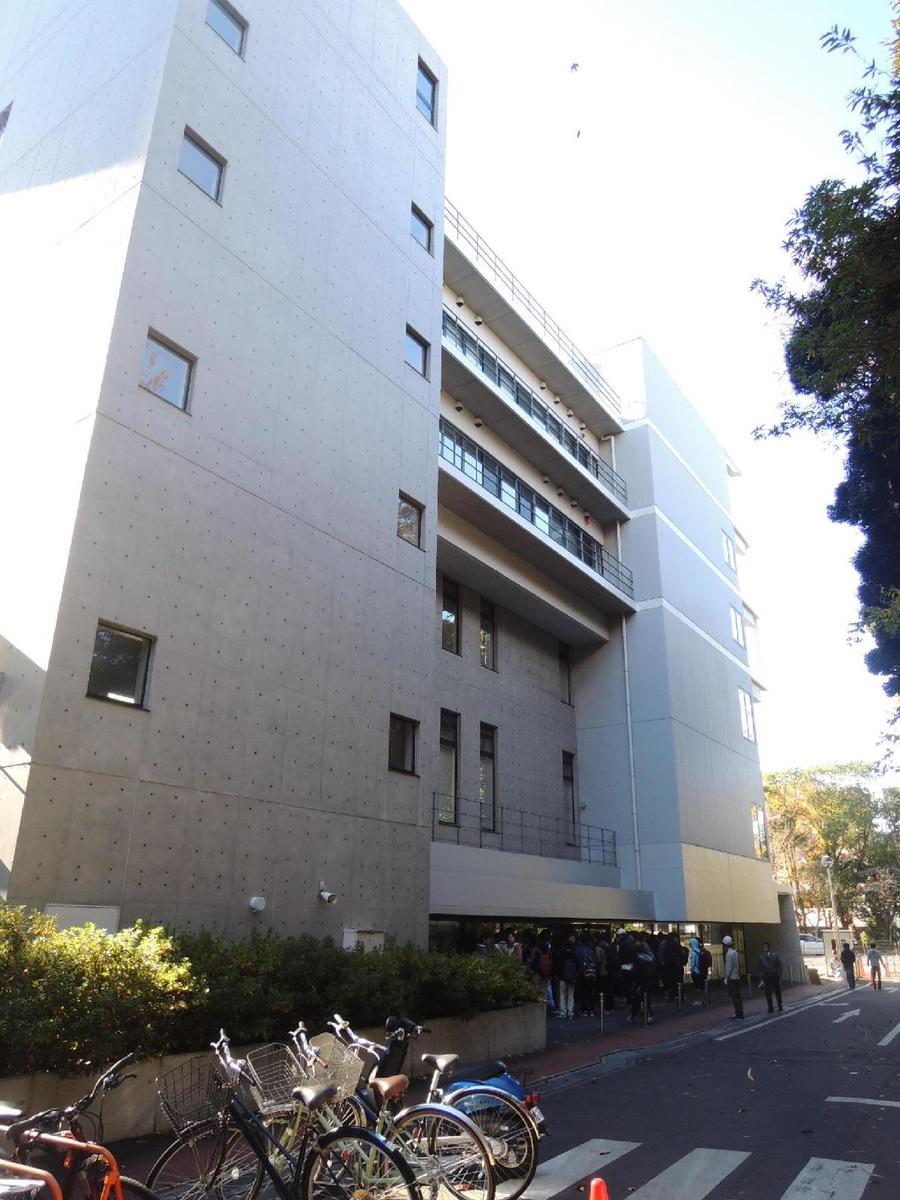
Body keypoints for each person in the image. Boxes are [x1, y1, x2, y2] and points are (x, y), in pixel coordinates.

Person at [758, 941, 783, 1013]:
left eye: (766, 947)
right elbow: (760, 968)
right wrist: (761, 978)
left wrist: (779, 975)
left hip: (775, 976)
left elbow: (779, 965)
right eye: (764, 947)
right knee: (768, 993)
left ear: (769, 947)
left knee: (777, 992)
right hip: (766, 977)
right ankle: (770, 1008)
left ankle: (780, 1006)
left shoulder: (775, 955)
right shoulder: (761, 956)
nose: (765, 948)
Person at [723, 935, 743, 1019]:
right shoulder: (735, 952)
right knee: (738, 996)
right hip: (736, 976)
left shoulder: (728, 954)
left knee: (734, 997)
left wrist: (726, 978)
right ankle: (740, 1013)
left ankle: (738, 1014)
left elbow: (729, 967)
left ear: (725, 945)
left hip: (731, 978)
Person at [559, 940, 579, 1019]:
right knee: (571, 995)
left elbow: (559, 966)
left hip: (562, 978)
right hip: (572, 978)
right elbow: (577, 966)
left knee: (562, 995)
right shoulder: (574, 955)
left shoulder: (562, 955)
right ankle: (570, 1012)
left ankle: (563, 1013)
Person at [688, 936, 707, 1005]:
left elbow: (693, 964)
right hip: (701, 971)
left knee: (697, 987)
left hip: (695, 972)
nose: (689, 944)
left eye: (690, 943)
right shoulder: (700, 951)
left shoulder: (693, 952)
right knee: (702, 986)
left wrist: (691, 969)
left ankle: (699, 1000)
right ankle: (705, 999)